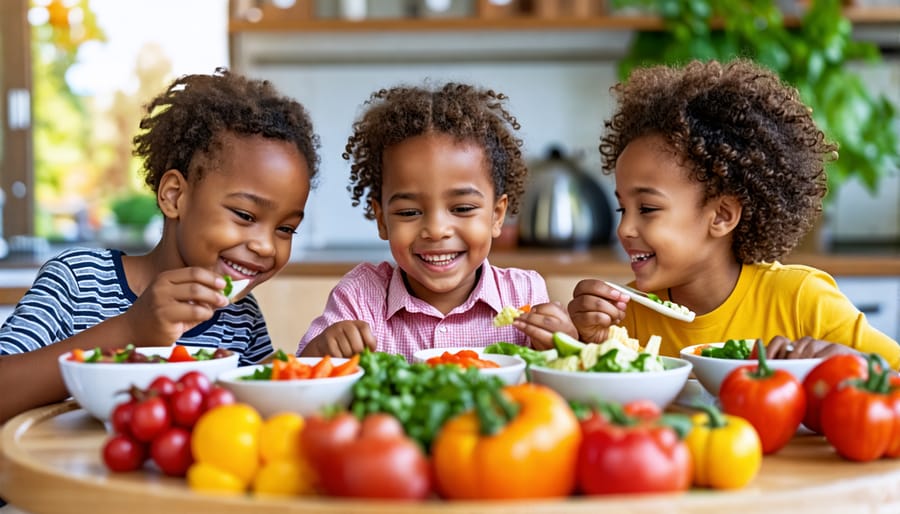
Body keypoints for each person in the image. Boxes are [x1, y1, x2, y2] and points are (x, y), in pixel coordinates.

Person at [0, 68, 321, 423]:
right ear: (175, 196)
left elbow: (257, 413)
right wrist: (131, 331)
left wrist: (313, 360)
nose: (265, 246)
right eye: (245, 215)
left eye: (286, 229)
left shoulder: (239, 319)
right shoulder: (79, 280)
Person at [567, 59, 900, 369]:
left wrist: (852, 362)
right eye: (622, 208)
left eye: (648, 209)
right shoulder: (626, 316)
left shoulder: (801, 301)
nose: (624, 229)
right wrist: (586, 344)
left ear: (722, 215)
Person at [297, 82, 577, 360]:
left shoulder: (525, 293)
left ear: (497, 215)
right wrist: (323, 350)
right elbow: (300, 378)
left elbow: (558, 384)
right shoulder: (359, 297)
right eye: (409, 212)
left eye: (463, 208)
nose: (436, 230)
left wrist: (567, 346)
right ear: (382, 220)